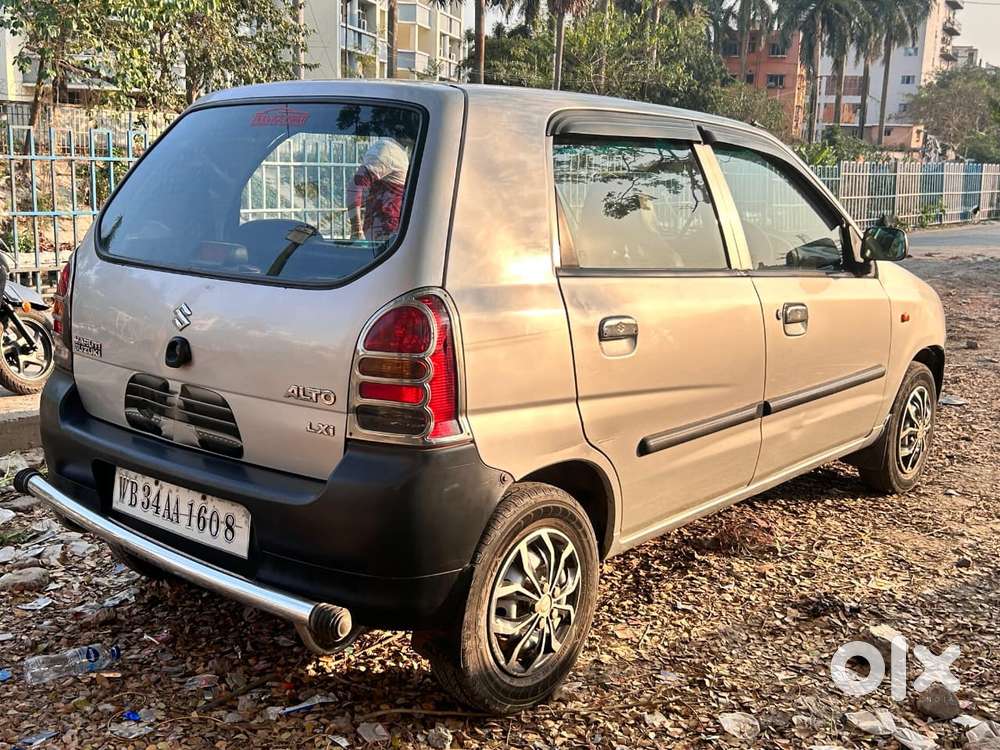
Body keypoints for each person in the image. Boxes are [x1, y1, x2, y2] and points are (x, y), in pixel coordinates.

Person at [346, 137, 411, 243]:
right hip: (385, 238)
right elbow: (355, 186)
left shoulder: (398, 151)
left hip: (392, 235)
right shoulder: (388, 150)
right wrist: (356, 229)